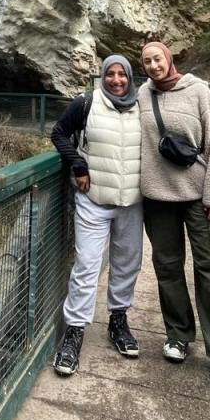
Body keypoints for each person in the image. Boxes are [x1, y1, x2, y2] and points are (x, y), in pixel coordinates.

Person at [138, 40, 210, 392]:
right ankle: (178, 335)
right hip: (157, 197)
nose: (153, 66)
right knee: (166, 268)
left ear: (169, 59)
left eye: (158, 59)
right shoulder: (141, 96)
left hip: (199, 197)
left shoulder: (198, 91)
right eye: (147, 61)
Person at [49, 55, 143, 377]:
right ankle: (74, 332)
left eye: (122, 75)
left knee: (127, 263)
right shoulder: (86, 103)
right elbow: (59, 133)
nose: (117, 80)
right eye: (111, 74)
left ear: (131, 78)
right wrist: (77, 162)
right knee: (87, 265)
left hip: (132, 202)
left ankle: (118, 321)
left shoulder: (142, 107)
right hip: (93, 200)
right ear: (102, 76)